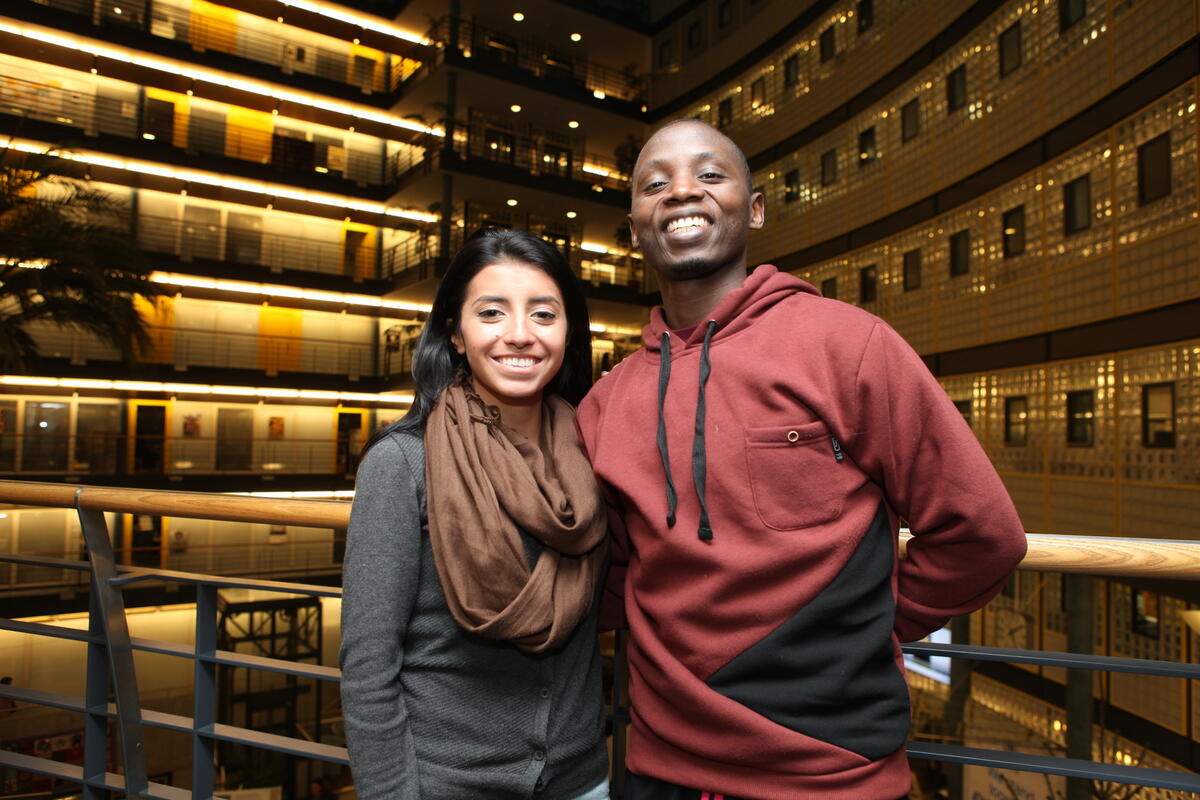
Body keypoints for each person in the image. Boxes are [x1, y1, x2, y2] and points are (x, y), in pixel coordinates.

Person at [576, 120, 1028, 800]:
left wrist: (870, 627)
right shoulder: (606, 403)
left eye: (709, 174)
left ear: (754, 209)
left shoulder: (847, 345)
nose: (680, 192)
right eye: (654, 184)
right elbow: (604, 575)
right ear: (635, 224)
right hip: (658, 770)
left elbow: (981, 533)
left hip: (832, 774)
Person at [340, 228, 610, 800]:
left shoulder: (594, 454)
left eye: (544, 314)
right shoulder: (402, 464)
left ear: (567, 333)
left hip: (582, 781)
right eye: (491, 313)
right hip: (448, 785)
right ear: (455, 335)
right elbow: (368, 668)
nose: (519, 335)